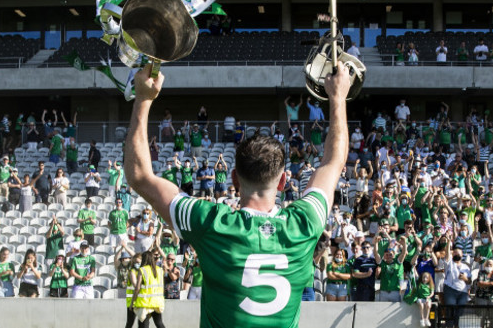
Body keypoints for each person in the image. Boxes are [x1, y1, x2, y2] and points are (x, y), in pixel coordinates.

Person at [123, 63, 350, 327]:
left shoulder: (211, 223)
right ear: (283, 182)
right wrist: (338, 97)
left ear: (234, 179)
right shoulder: (305, 222)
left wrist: (143, 99)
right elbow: (333, 161)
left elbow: (138, 176)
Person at [129, 250, 166, 328]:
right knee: (159, 323)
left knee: (143, 325)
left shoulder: (142, 270)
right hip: (157, 301)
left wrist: (132, 302)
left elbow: (137, 288)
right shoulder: (159, 270)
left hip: (145, 303)